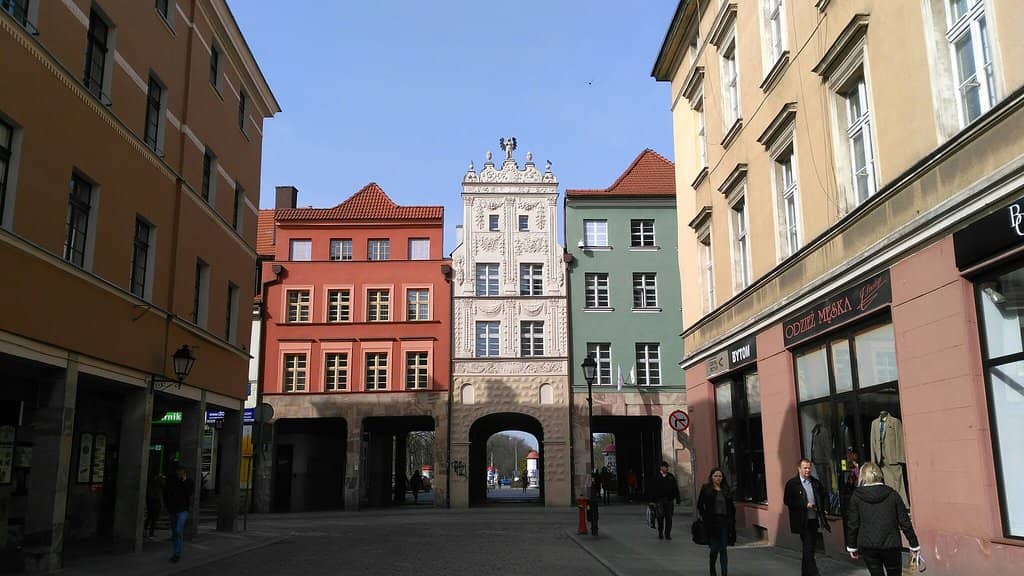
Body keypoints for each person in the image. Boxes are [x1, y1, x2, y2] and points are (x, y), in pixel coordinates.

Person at [846, 462, 921, 576]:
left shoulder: (856, 497)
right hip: (891, 544)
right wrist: (914, 544)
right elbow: (904, 522)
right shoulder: (892, 494)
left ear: (862, 476)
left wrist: (852, 546)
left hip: (868, 544)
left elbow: (853, 524)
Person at [784, 459, 831, 576]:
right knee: (809, 547)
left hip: (813, 519)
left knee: (809, 548)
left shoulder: (815, 482)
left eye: (809, 468)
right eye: (805, 468)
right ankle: (814, 573)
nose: (808, 470)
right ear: (799, 469)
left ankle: (806, 573)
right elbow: (787, 501)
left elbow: (824, 495)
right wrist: (804, 505)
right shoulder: (792, 484)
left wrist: (824, 508)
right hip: (802, 520)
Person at [697, 468, 736, 576]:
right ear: (711, 477)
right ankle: (712, 570)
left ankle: (724, 573)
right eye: (716, 476)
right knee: (714, 548)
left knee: (723, 548)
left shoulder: (726, 490)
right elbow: (700, 505)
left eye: (720, 476)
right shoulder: (706, 488)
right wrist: (705, 517)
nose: (718, 478)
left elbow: (731, 507)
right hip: (712, 523)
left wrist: (732, 521)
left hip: (724, 522)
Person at [163, 463, 194, 563]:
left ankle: (177, 554)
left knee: (178, 531)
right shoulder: (172, 481)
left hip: (183, 510)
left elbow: (189, 493)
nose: (180, 473)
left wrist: (184, 481)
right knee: (174, 533)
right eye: (178, 472)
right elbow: (166, 493)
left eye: (181, 472)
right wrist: (167, 506)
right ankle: (175, 552)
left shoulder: (189, 482)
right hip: (173, 510)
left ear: (184, 473)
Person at [649, 460, 681, 540]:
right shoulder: (656, 477)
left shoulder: (671, 476)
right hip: (659, 500)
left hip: (669, 500)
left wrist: (677, 498)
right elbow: (652, 489)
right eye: (665, 467)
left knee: (669, 518)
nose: (667, 468)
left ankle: (667, 534)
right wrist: (652, 501)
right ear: (661, 467)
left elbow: (675, 488)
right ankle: (660, 532)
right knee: (660, 517)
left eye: (667, 467)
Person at [144, 471, 165, 538]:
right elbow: (152, 496)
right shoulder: (155, 486)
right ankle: (148, 532)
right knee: (152, 518)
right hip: (154, 503)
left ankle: (149, 532)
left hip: (154, 503)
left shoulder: (157, 486)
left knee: (152, 518)